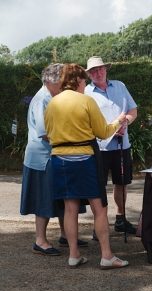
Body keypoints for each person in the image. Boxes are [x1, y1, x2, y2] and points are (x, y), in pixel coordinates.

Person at [44, 63, 128, 269]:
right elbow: (103, 132)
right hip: (85, 158)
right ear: (79, 80)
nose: (85, 85)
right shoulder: (86, 100)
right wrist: (119, 121)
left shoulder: (53, 103)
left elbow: (48, 130)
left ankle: (74, 255)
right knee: (99, 208)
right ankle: (106, 256)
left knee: (70, 208)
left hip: (59, 159)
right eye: (84, 80)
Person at [20, 63, 88, 256]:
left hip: (52, 155)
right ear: (52, 81)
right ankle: (40, 240)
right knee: (43, 198)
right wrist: (73, 138)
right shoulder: (43, 99)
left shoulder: (52, 97)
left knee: (61, 196)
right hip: (42, 159)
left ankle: (65, 235)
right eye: (62, 81)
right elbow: (45, 133)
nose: (65, 85)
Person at [84, 56, 138, 237]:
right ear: (89, 74)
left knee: (122, 182)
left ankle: (120, 219)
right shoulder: (86, 92)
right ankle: (98, 224)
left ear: (106, 69)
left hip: (122, 143)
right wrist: (108, 130)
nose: (98, 73)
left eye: (100, 69)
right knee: (98, 185)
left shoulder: (120, 86)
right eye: (93, 71)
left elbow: (132, 110)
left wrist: (125, 124)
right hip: (99, 146)